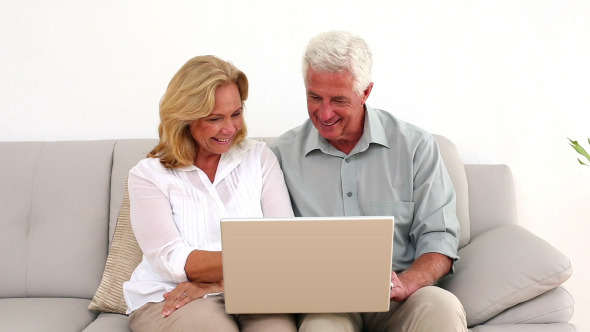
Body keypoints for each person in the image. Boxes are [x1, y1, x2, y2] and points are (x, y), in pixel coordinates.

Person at [270, 31, 467, 331]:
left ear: (365, 92)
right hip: (326, 300)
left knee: (444, 307)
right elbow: (270, 244)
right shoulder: (281, 155)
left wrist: (409, 282)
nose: (324, 113)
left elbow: (439, 236)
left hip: (399, 296)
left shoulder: (415, 147)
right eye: (314, 97)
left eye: (338, 100)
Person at [123, 55, 297, 332]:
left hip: (255, 292)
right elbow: (173, 261)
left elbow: (285, 246)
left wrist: (218, 282)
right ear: (184, 118)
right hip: (172, 293)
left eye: (236, 114)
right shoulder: (148, 175)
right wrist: (259, 260)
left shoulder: (259, 158)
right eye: (215, 118)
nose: (230, 129)